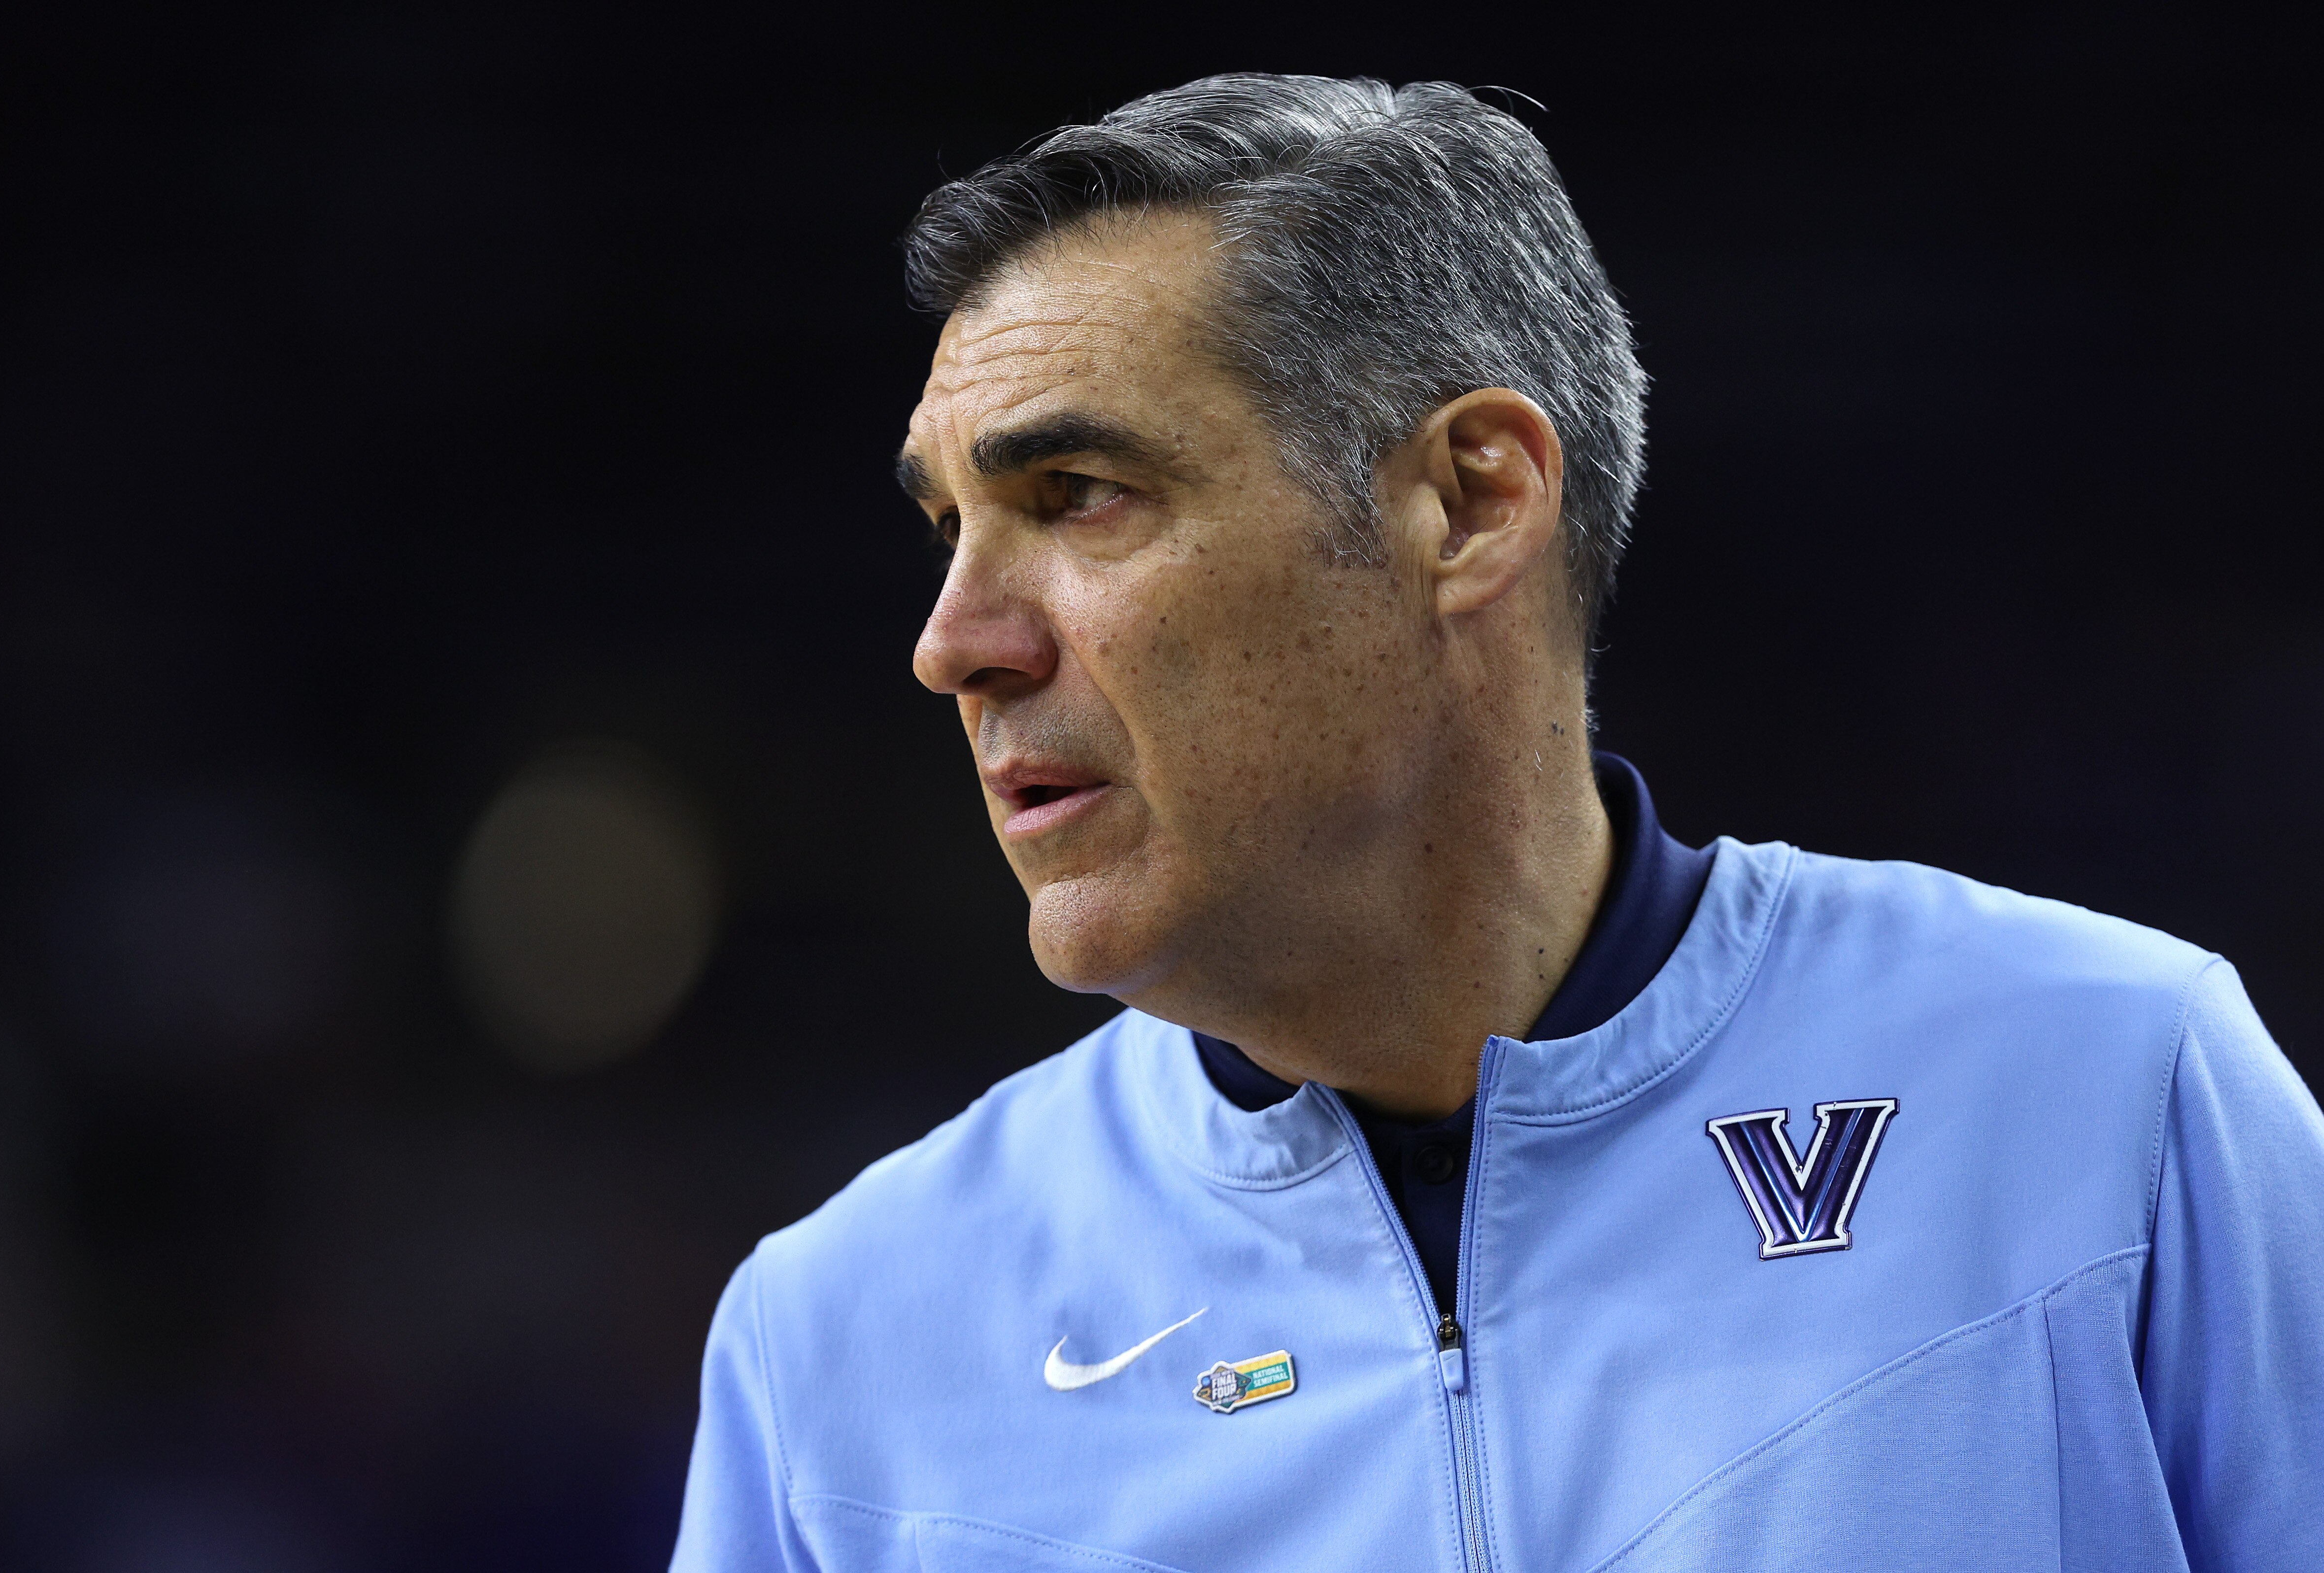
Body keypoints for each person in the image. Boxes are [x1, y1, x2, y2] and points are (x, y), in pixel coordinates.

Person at [671, 74, 2324, 1572]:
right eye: (950, 526)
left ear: (1469, 502)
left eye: (1079, 497)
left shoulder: (2111, 1097)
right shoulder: (841, 1351)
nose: (955, 641)